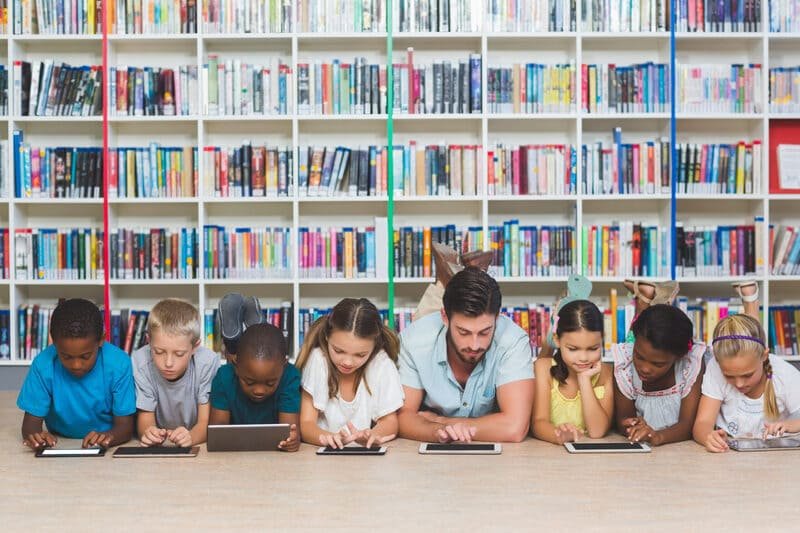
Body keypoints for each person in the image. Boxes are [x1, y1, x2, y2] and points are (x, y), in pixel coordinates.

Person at [613, 280, 761, 445]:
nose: (645, 368)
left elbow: (687, 425)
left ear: (679, 357)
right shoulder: (625, 364)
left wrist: (657, 436)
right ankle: (646, 300)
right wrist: (632, 426)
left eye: (658, 364)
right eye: (639, 357)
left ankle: (751, 304)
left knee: (749, 348)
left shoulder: (691, 365)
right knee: (633, 338)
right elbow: (622, 419)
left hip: (682, 448)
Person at [398, 266, 534, 443]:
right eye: (463, 332)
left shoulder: (513, 341)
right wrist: (439, 432)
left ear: (497, 318)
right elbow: (403, 418)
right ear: (445, 317)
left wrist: (442, 422)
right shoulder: (413, 341)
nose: (474, 345)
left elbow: (514, 428)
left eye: (485, 332)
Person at [17, 298, 135, 450]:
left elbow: (125, 427)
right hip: (59, 439)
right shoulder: (42, 365)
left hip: (106, 435)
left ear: (101, 340)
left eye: (85, 356)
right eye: (66, 356)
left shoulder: (119, 364)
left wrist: (110, 436)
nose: (76, 365)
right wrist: (36, 437)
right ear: (54, 342)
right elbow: (29, 427)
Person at [296, 298, 403, 449]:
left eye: (360, 355)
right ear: (327, 337)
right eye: (339, 351)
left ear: (375, 346)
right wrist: (329, 439)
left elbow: (390, 422)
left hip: (366, 460)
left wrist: (374, 435)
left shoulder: (382, 363)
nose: (348, 362)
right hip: (322, 458)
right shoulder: (318, 359)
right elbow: (306, 425)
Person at [693, 313, 800, 452]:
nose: (739, 384)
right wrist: (708, 436)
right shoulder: (715, 368)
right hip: (728, 456)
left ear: (764, 356)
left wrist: (790, 425)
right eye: (729, 376)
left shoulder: (786, 374)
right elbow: (702, 422)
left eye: (748, 375)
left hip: (775, 459)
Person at [132, 298, 220, 447]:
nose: (168, 363)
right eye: (159, 352)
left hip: (196, 443)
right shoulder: (140, 361)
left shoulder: (208, 362)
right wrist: (148, 433)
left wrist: (190, 437)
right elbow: (145, 420)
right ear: (148, 341)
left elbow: (205, 423)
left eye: (179, 354)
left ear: (195, 347)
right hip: (160, 448)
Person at [532, 300, 613, 444]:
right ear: (557, 340)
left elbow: (597, 431)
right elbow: (538, 423)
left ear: (602, 339)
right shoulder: (543, 368)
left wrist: (584, 379)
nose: (583, 358)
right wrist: (559, 435)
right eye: (573, 349)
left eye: (593, 348)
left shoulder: (606, 373)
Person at [209, 323, 301, 451]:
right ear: (236, 366)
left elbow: (289, 430)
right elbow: (218, 435)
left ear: (283, 367)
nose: (259, 391)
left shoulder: (290, 376)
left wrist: (292, 441)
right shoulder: (224, 377)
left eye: (270, 383)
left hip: (277, 459)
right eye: (249, 382)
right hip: (233, 459)